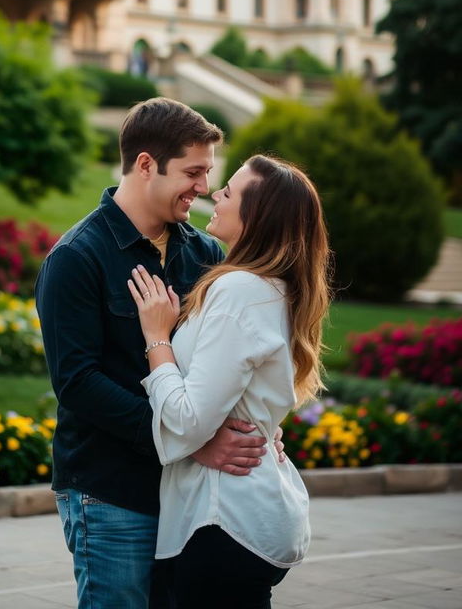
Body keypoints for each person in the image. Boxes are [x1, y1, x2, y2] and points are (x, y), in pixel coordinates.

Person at [36, 99, 282, 609]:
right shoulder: (76, 258)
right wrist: (188, 442)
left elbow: (226, 360)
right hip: (111, 492)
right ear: (146, 165)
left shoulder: (205, 253)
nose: (204, 188)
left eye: (209, 174)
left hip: (186, 498)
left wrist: (263, 424)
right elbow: (77, 383)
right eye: (192, 172)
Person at [128, 154, 331, 609]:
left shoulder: (239, 290)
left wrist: (157, 338)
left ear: (256, 216)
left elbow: (187, 422)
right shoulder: (271, 288)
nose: (214, 193)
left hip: (222, 523)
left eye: (230, 191)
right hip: (241, 519)